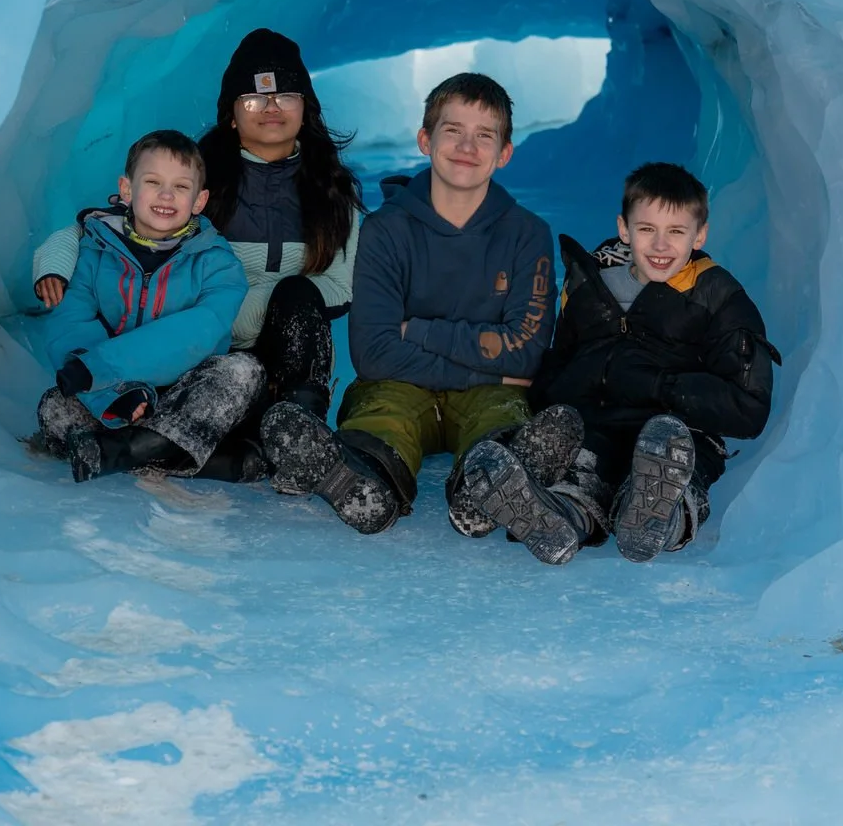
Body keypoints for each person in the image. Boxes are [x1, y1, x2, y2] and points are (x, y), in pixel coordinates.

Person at [32, 29, 363, 481]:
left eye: (286, 95)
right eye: (253, 99)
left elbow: (340, 288)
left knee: (296, 297)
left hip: (262, 357)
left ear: (305, 107)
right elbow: (95, 230)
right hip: (180, 350)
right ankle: (211, 453)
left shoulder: (332, 192)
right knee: (58, 408)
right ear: (230, 115)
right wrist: (52, 266)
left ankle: (295, 425)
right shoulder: (196, 180)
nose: (270, 108)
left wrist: (237, 308)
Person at [261, 73, 582, 535]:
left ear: (504, 153)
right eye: (453, 131)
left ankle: (486, 489)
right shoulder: (386, 231)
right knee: (383, 416)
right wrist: (485, 363)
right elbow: (373, 353)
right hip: (400, 384)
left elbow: (528, 353)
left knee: (501, 418)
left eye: (484, 136)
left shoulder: (525, 233)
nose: (467, 147)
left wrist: (420, 331)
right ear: (425, 140)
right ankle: (365, 482)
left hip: (490, 392)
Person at [457, 161, 780, 564]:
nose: (660, 246)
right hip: (599, 426)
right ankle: (557, 519)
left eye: (676, 232)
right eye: (647, 230)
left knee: (674, 473)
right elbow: (554, 371)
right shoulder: (590, 285)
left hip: (678, 433)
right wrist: (583, 381)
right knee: (582, 473)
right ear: (625, 229)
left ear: (699, 235)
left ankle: (660, 520)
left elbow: (748, 408)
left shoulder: (717, 298)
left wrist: (658, 384)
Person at [33, 129, 253, 483]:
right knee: (55, 408)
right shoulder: (94, 253)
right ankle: (178, 453)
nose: (167, 195)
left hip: (182, 391)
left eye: (181, 187)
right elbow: (69, 324)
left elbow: (199, 330)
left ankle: (126, 450)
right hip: (117, 394)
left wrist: (100, 369)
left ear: (199, 201)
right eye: (153, 182)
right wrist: (111, 395)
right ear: (127, 189)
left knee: (241, 372)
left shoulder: (219, 263)